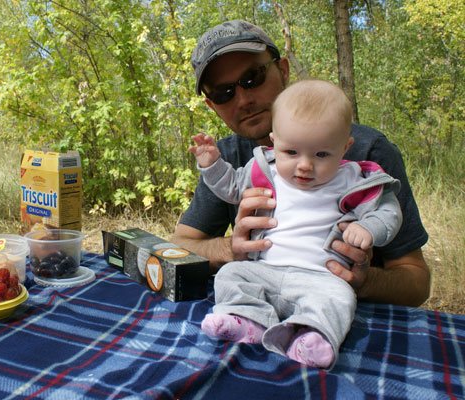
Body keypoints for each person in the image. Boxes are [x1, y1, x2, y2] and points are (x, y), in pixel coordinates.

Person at [171, 19, 430, 308]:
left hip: (341, 310)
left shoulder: (369, 154)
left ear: (282, 70)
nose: (243, 100)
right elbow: (180, 244)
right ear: (212, 105)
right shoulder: (226, 159)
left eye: (252, 78)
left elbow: (417, 283)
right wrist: (233, 250)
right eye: (223, 92)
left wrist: (363, 281)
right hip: (260, 300)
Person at [190, 79, 402, 369]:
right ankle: (248, 321)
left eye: (321, 154)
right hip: (264, 270)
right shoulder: (265, 171)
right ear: (274, 142)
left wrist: (368, 229)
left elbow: (389, 212)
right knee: (230, 274)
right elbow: (231, 186)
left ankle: (311, 338)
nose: (304, 165)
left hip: (321, 277)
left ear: (345, 148)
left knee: (339, 298)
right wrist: (212, 165)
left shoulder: (355, 179)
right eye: (291, 152)